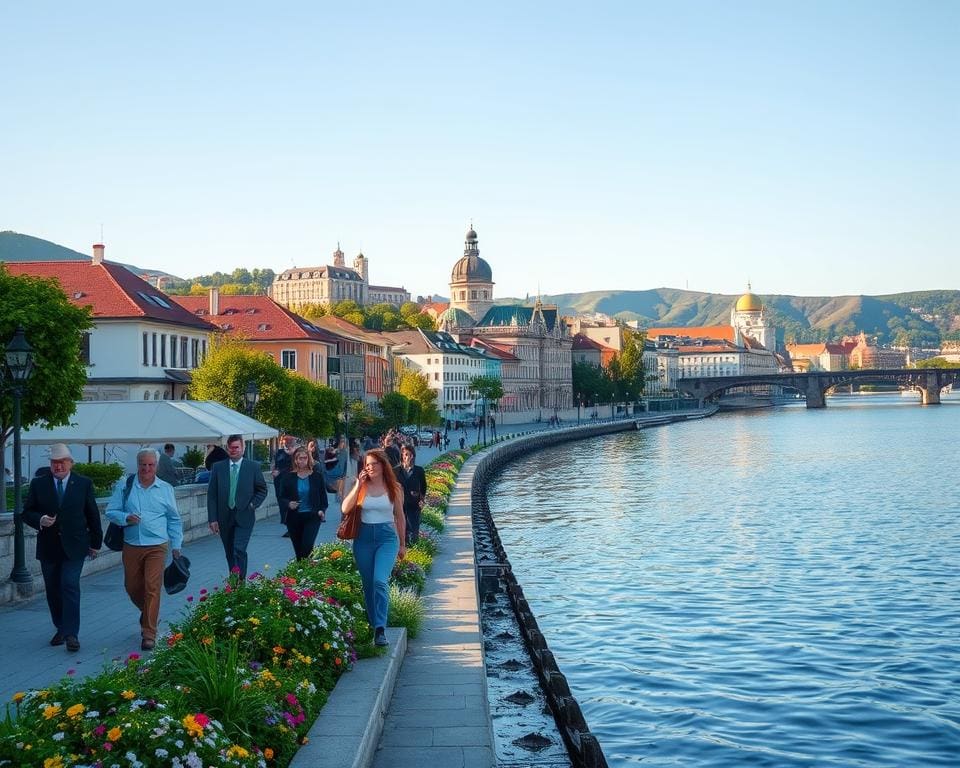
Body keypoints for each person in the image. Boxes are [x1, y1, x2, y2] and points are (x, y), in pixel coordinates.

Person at [22, 443, 103, 653]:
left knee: (69, 584)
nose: (58, 466)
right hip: (49, 547)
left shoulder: (83, 483)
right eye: (54, 463)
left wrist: (95, 543)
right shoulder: (39, 484)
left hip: (75, 546)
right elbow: (27, 511)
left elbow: (92, 514)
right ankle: (61, 626)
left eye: (62, 462)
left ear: (70, 463)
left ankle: (71, 635)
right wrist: (40, 519)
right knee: (53, 590)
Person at [105, 448, 183, 651]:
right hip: (131, 544)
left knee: (152, 586)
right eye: (143, 465)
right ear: (137, 464)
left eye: (150, 465)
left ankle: (149, 633)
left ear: (156, 466)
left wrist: (176, 545)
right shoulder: (126, 485)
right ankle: (148, 611)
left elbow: (174, 519)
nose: (146, 468)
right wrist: (125, 518)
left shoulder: (165, 488)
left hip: (157, 545)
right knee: (132, 586)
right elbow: (110, 511)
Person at [340, 448, 406, 647]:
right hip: (363, 539)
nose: (369, 468)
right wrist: (358, 485)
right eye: (366, 464)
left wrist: (403, 544)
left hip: (387, 539)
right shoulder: (360, 486)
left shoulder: (394, 487)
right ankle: (373, 624)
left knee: (379, 581)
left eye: (373, 464)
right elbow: (345, 508)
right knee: (368, 584)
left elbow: (400, 516)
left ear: (382, 465)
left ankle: (380, 627)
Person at [207, 434, 268, 580]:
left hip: (245, 515)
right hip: (224, 517)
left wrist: (253, 504)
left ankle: (240, 584)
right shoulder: (218, 467)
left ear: (243, 448)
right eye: (230, 448)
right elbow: (212, 495)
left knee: (239, 549)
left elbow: (262, 489)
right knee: (229, 552)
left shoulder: (253, 467)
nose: (233, 450)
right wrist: (213, 519)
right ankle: (234, 580)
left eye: (236, 447)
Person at [278, 447, 328, 560]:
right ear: (295, 460)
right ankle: (301, 575)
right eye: (299, 458)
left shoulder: (317, 476)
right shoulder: (288, 477)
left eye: (305, 458)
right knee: (299, 551)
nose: (302, 461)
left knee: (307, 547)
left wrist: (321, 510)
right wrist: (289, 503)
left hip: (312, 516)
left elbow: (323, 499)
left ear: (309, 459)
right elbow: (281, 497)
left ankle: (307, 572)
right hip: (294, 517)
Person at [395, 444, 427, 546]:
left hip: (414, 504)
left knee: (414, 530)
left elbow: (423, 487)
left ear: (413, 456)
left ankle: (414, 550)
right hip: (400, 505)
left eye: (409, 454)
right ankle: (402, 549)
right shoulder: (396, 470)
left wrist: (421, 499)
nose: (407, 457)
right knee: (401, 530)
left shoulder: (419, 471)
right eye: (405, 454)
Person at [271, 434, 296, 535]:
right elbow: (276, 464)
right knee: (281, 501)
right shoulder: (279, 452)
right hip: (278, 481)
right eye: (283, 443)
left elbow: (293, 468)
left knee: (289, 502)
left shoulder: (295, 454)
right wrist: (274, 470)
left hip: (290, 481)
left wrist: (280, 471)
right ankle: (287, 524)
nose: (285, 445)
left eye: (287, 443)